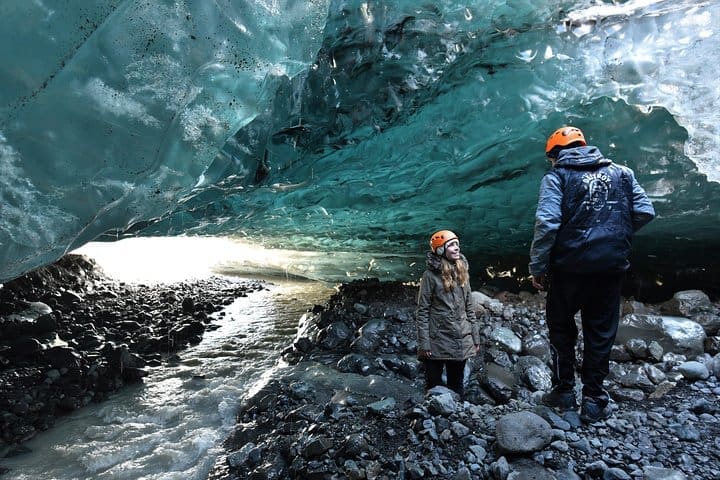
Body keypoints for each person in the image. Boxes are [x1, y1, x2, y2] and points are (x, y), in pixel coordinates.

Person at [529, 126, 655, 423]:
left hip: (570, 269)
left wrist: (538, 268)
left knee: (561, 328)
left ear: (555, 154)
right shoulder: (622, 173)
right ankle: (594, 399)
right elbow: (645, 211)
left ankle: (564, 391)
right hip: (610, 269)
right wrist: (614, 236)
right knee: (600, 333)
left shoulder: (556, 177)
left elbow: (547, 225)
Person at [416, 230, 481, 397]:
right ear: (439, 250)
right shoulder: (429, 276)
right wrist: (425, 344)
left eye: (457, 244)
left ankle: (457, 416)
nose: (456, 248)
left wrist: (475, 338)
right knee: (433, 385)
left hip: (460, 339)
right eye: (451, 245)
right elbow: (423, 310)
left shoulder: (462, 272)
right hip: (436, 340)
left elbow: (469, 308)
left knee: (456, 384)